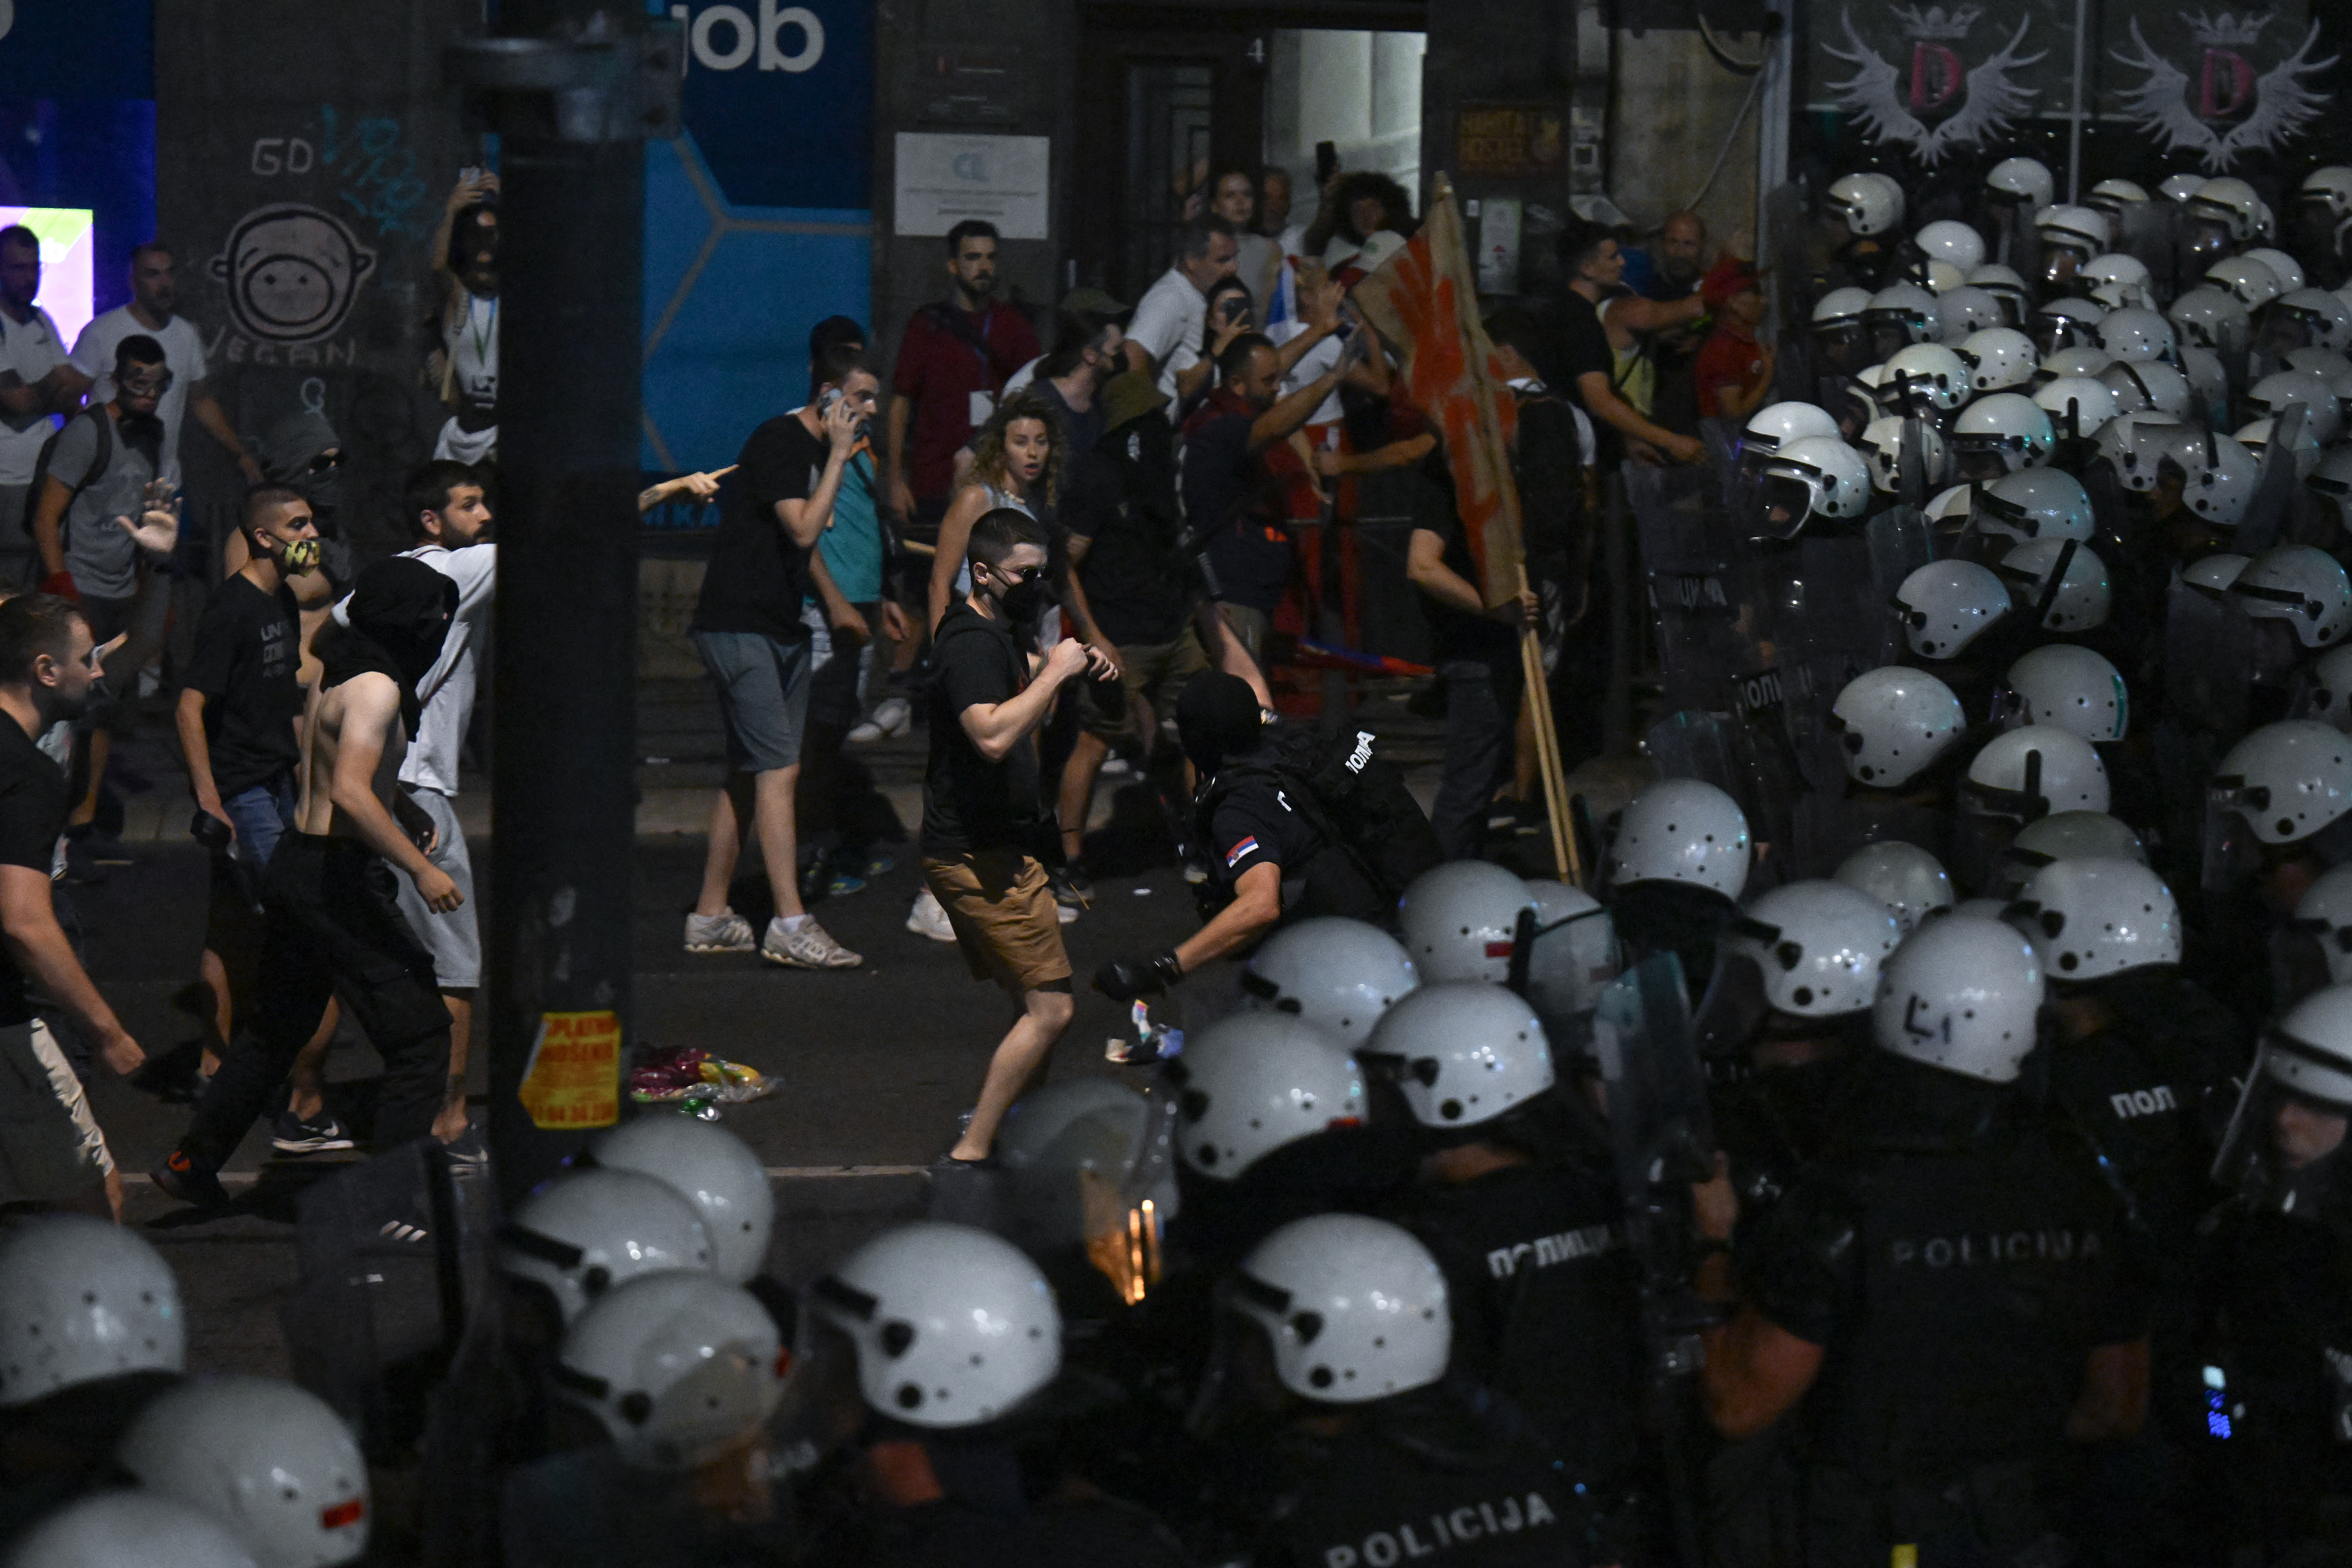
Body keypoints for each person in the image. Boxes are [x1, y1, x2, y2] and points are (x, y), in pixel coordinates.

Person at [1697, 916, 2150, 1566]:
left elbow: (1735, 1403)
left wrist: (1711, 1244)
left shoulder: (1846, 1192)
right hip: (2030, 1524)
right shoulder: (2084, 1183)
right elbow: (2117, 1409)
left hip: (1880, 1538)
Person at [153, 557, 461, 1210]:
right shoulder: (377, 685)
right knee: (421, 1035)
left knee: (276, 1028)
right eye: (431, 613)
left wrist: (400, 805)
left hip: (299, 865)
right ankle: (395, 1202)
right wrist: (421, 865)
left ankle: (192, 1162)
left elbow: (322, 760)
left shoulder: (338, 669)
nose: (439, 625)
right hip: (335, 878)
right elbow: (349, 789)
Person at [920, 509, 1112, 1164]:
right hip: (976, 857)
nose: (1038, 585)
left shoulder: (997, 631)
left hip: (1000, 848)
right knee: (1050, 1011)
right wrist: (1055, 671)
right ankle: (974, 1148)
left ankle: (1017, 1131)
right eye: (1024, 574)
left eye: (1043, 572)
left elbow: (1018, 684)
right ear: (982, 573)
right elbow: (992, 734)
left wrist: (1066, 663)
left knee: (1032, 1005)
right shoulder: (970, 641)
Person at [681, 343, 871, 970]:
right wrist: (841, 454)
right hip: (739, 626)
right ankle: (790, 922)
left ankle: (710, 915)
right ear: (826, 396)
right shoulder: (782, 441)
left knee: (749, 770)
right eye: (859, 398)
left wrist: (838, 604)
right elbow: (802, 528)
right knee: (779, 769)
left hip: (778, 626)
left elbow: (799, 543)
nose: (869, 410)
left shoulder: (815, 452)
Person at [176, 483, 335, 1145]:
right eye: (300, 525)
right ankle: (291, 1095)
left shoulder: (279, 596)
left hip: (273, 781)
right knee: (302, 926)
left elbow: (277, 700)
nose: (313, 534)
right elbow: (190, 706)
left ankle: (231, 1069)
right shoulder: (233, 607)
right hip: (243, 790)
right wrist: (211, 798)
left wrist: (303, 772)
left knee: (246, 926)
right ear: (265, 537)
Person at [0, 596, 136, 1217]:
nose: (99, 672)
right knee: (93, 1198)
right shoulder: (27, 774)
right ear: (46, 670)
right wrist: (105, 1029)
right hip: (3, 1025)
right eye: (89, 660)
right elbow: (25, 920)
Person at [383, 460, 496, 1144]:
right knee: (456, 962)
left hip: (380, 777)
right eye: (470, 504)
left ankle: (298, 1103)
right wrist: (664, 490)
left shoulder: (389, 575)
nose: (484, 517)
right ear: (432, 520)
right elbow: (566, 534)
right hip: (417, 789)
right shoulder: (458, 571)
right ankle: (448, 1115)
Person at [30, 334, 177, 841]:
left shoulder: (151, 435)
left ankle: (85, 818)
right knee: (70, 710)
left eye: (158, 386)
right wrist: (63, 592)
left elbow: (141, 519)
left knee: (107, 708)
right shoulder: (88, 434)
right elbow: (48, 519)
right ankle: (51, 819)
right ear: (116, 380)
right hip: (80, 587)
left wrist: (147, 586)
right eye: (138, 383)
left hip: (120, 588)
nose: (148, 394)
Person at [1180, 331, 1354, 664]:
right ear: (1237, 384)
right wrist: (1332, 376)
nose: (1278, 387)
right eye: (1269, 380)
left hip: (1251, 587)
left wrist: (1319, 326)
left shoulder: (1235, 408)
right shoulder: (1223, 427)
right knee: (1244, 698)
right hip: (1233, 592)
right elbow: (1277, 425)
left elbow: (1260, 375)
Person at [1407, 436, 1542, 861]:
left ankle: (1461, 877)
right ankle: (1440, 890)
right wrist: (1495, 608)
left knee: (1478, 784)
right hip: (1473, 650)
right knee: (1466, 788)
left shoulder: (1483, 482)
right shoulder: (1445, 481)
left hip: (1490, 648)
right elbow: (1422, 566)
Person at [885, 220, 1041, 538]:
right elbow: (900, 403)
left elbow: (1035, 400)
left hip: (998, 478)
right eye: (972, 258)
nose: (983, 267)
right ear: (953, 265)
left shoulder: (1013, 326)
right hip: (934, 480)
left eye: (990, 258)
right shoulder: (927, 326)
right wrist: (895, 480)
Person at [57, 243, 261, 484]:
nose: (165, 283)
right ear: (133, 282)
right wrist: (87, 452)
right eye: (153, 275)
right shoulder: (102, 332)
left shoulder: (186, 335)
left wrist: (241, 454)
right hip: (107, 483)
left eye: (170, 273)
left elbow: (201, 400)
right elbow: (69, 397)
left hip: (162, 483)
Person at [1554, 218, 1707, 466]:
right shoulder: (1579, 322)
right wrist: (1670, 441)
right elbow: (1599, 400)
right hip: (1573, 456)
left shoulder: (1570, 310)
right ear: (1587, 268)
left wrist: (1628, 439)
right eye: (1613, 257)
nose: (1622, 263)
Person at [0, 226, 76, 586]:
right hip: (7, 478)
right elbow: (17, 401)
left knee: (40, 581)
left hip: (44, 474)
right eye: (19, 268)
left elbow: (71, 388)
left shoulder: (41, 319)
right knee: (11, 581)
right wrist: (52, 384)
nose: (30, 278)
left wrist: (43, 389)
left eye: (35, 267)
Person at [1126, 218, 1243, 413]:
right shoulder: (1171, 298)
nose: (1234, 268)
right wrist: (1148, 422)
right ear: (1191, 262)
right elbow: (1133, 353)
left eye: (1234, 258)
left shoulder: (1199, 295)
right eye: (1223, 260)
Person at [429, 169, 500, 464]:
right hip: (464, 432)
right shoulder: (460, 300)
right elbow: (437, 269)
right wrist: (451, 212)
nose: (484, 253)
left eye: (492, 239)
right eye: (476, 240)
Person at [1692, 255, 1775, 423]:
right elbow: (1734, 412)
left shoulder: (1740, 341)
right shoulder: (1725, 350)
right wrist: (1768, 375)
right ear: (1734, 302)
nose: (1764, 301)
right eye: (1756, 292)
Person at [1209, 165, 1287, 326]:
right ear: (1215, 205)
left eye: (1247, 195)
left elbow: (1267, 312)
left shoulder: (1271, 250)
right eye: (1230, 196)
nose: (1240, 202)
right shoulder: (1201, 249)